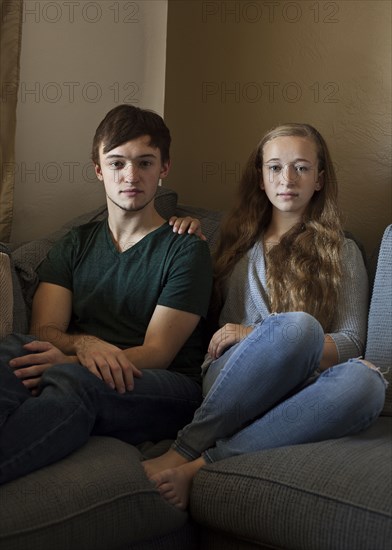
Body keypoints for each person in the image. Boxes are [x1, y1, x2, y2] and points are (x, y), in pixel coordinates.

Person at [142, 123, 387, 510]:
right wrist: (184, 232)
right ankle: (182, 449)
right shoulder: (233, 243)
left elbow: (351, 342)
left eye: (302, 168)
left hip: (305, 389)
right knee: (299, 326)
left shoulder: (343, 252)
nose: (287, 178)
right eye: (274, 167)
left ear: (319, 179)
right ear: (260, 178)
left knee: (368, 383)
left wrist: (253, 331)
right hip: (237, 379)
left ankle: (202, 465)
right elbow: (194, 306)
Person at [0, 104, 212, 484]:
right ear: (99, 170)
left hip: (165, 386)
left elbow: (157, 353)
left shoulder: (185, 248)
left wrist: (74, 363)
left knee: (78, 382)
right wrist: (84, 346)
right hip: (85, 364)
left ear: (164, 169)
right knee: (14, 350)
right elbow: (45, 331)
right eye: (116, 163)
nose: (130, 176)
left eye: (145, 163)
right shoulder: (74, 243)